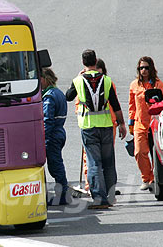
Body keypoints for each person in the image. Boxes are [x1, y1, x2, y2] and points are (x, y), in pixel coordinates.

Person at [66, 49, 127, 209]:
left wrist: (78, 76)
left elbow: (68, 96)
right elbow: (116, 104)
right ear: (95, 61)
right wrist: (121, 124)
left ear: (83, 62)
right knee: (108, 162)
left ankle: (99, 199)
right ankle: (110, 195)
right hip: (106, 125)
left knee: (94, 163)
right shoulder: (106, 80)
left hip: (88, 127)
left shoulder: (78, 80)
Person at [81, 58, 120, 195]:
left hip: (107, 124)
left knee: (98, 161)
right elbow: (78, 103)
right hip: (101, 125)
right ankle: (92, 186)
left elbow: (115, 104)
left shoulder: (106, 82)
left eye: (99, 68)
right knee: (95, 160)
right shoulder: (83, 82)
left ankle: (102, 191)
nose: (95, 71)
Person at [128, 56, 163, 191]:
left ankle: (155, 178)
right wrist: (130, 122)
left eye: (146, 67)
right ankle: (146, 178)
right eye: (141, 68)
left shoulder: (158, 84)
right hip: (140, 123)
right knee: (139, 152)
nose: (143, 70)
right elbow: (132, 105)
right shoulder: (134, 85)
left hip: (155, 123)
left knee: (156, 152)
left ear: (151, 69)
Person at [41, 68, 69, 206]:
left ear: (45, 79)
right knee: (57, 163)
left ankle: (63, 195)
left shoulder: (49, 96)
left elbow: (47, 120)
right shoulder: (58, 92)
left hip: (52, 135)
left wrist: (43, 138)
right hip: (59, 132)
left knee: (55, 165)